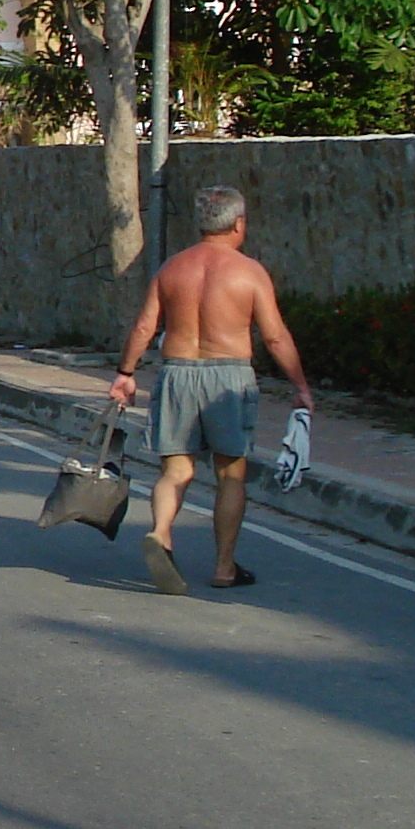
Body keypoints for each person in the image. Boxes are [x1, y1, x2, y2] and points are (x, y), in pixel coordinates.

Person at [107, 185, 314, 597]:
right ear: (238, 224)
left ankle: (162, 533)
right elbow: (274, 337)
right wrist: (301, 386)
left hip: (178, 371)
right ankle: (224, 566)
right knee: (230, 476)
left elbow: (146, 327)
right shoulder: (249, 272)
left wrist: (125, 373)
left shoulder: (172, 269)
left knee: (176, 470)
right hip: (229, 377)